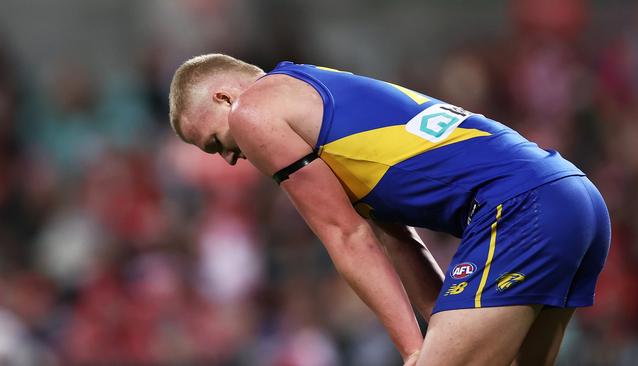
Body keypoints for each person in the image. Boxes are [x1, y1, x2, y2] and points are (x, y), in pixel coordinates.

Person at [167, 54, 610, 366]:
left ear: (226, 98)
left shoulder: (253, 111)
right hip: (573, 196)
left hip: (521, 207)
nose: (226, 158)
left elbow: (346, 237)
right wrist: (432, 341)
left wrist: (415, 352)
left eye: (213, 142)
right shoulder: (318, 102)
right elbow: (398, 239)